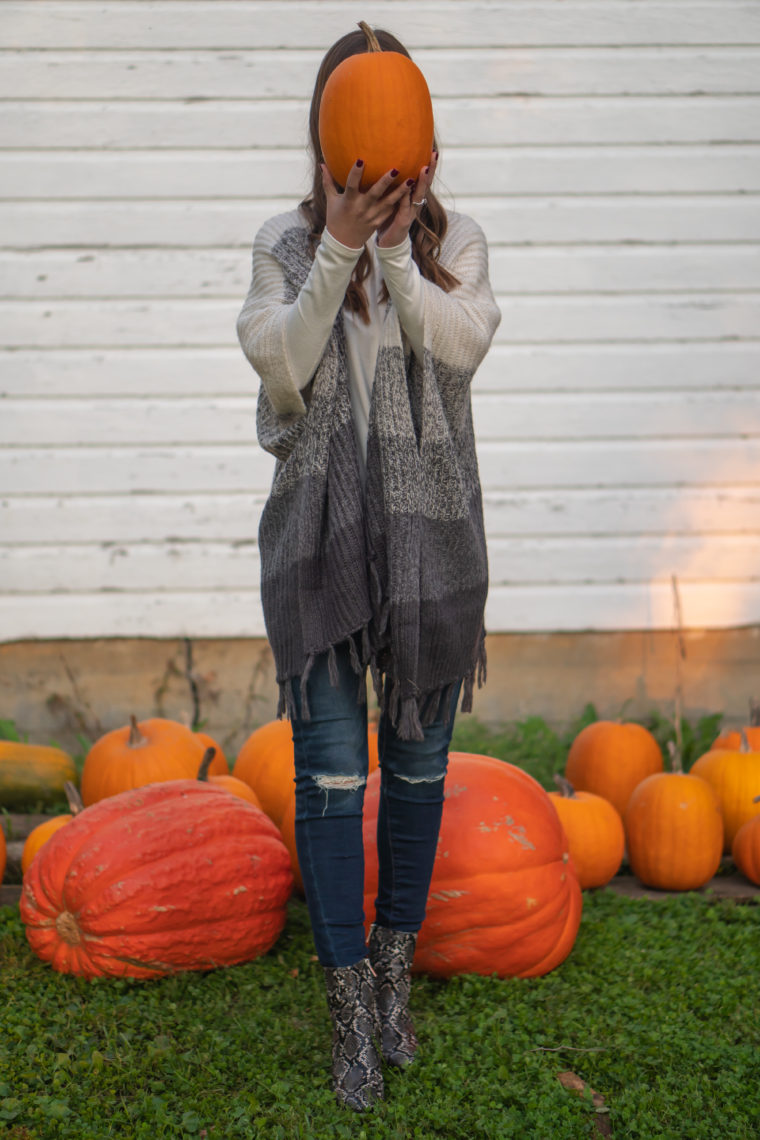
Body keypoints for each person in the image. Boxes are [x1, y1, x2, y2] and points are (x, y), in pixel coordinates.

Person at [236, 24, 501, 1113]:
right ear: (325, 131)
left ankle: (393, 986)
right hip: (322, 545)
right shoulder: (286, 247)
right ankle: (349, 1016)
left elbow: (461, 344)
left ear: (426, 142)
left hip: (432, 548)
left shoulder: (460, 242)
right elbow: (281, 370)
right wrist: (342, 248)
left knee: (420, 775)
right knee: (333, 781)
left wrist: (393, 252)